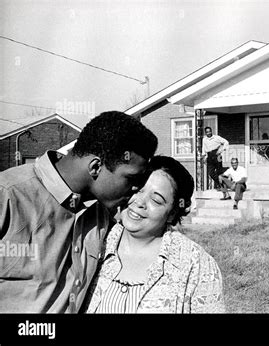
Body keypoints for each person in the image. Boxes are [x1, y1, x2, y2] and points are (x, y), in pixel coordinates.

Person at [0, 111, 158, 313]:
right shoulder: (8, 196)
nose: (136, 188)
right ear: (95, 167)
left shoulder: (103, 211)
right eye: (131, 178)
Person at [83, 156, 225, 313]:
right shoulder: (93, 242)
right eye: (137, 190)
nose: (139, 202)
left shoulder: (197, 264)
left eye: (156, 200)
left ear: (172, 214)